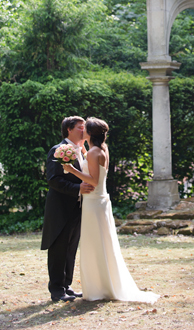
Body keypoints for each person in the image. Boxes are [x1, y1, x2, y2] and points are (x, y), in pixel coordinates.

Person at [62, 117, 159, 303]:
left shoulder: (93, 153)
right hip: (100, 201)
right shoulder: (101, 149)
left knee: (94, 244)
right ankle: (103, 284)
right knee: (102, 242)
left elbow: (93, 180)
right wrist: (80, 148)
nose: (82, 131)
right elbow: (93, 166)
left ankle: (98, 288)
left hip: (93, 203)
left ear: (90, 133)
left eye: (85, 129)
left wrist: (71, 170)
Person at [41, 116, 94, 302]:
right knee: (59, 248)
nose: (84, 130)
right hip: (60, 208)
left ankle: (67, 285)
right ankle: (56, 289)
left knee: (71, 248)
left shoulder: (83, 151)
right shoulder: (58, 150)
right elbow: (53, 180)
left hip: (78, 208)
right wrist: (77, 188)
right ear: (69, 130)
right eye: (81, 127)